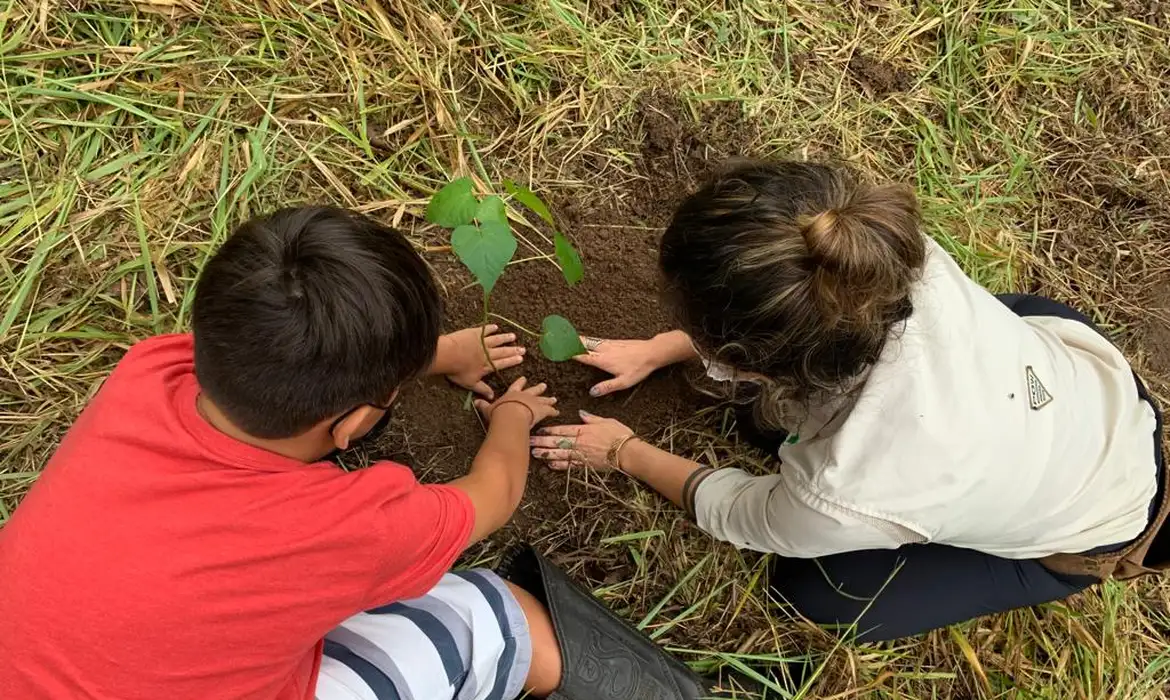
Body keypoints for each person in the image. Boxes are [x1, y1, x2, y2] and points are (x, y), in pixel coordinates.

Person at [0, 206, 725, 700]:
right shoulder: (355, 523)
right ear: (350, 426)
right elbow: (493, 496)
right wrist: (510, 418)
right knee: (491, 616)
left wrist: (424, 357)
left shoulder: (149, 371)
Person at [532, 160, 1169, 642]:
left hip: (1097, 529)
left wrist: (625, 451)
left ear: (749, 360)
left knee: (819, 594)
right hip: (1079, 384)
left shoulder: (850, 487)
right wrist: (669, 346)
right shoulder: (877, 247)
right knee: (767, 426)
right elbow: (805, 318)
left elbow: (743, 514)